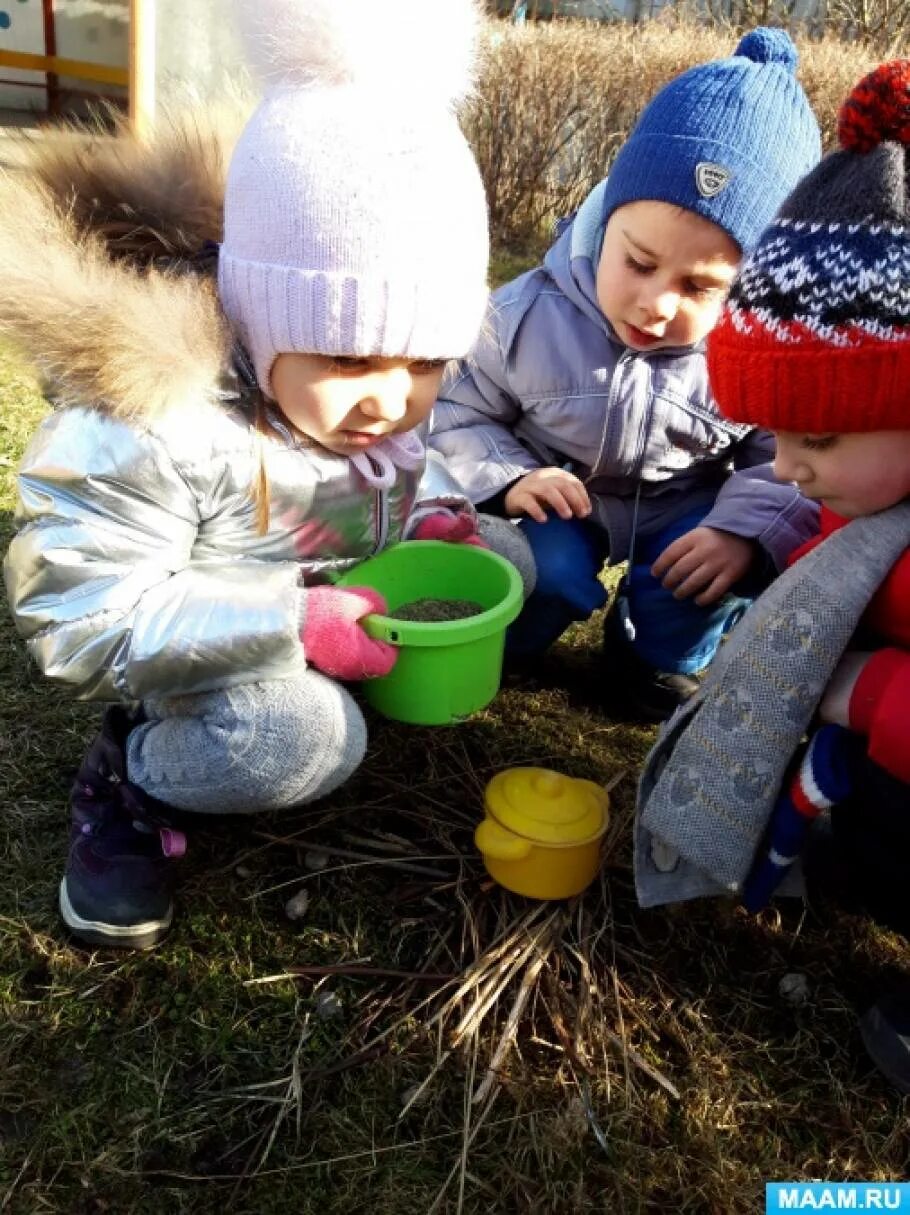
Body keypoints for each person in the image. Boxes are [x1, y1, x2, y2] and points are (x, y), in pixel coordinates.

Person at [0, 0, 533, 950]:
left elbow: (399, 469)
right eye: (347, 358)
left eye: (424, 364)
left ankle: (328, 666)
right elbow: (80, 617)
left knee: (509, 558)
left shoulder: (366, 395)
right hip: (188, 651)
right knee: (308, 739)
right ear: (260, 315)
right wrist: (288, 626)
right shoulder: (159, 423)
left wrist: (436, 513)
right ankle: (133, 773)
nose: (390, 399)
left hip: (318, 593)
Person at [429, 28, 821, 721]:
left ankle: (654, 661)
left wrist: (742, 531)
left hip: (686, 507)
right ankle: (513, 641)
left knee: (697, 578)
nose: (656, 302)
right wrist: (514, 477)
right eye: (638, 262)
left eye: (701, 288)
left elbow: (789, 463)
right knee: (545, 573)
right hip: (560, 496)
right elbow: (455, 412)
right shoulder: (523, 315)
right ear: (602, 222)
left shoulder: (764, 353)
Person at [705, 59, 910, 1092]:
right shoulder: (868, 485)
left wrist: (855, 686)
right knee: (863, 837)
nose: (788, 464)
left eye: (814, 436)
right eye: (776, 436)